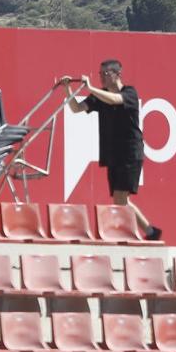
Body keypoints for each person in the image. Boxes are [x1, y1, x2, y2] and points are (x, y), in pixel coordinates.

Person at [59, 59, 161, 241]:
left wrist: (90, 88)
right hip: (113, 153)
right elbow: (76, 108)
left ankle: (129, 235)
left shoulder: (129, 92)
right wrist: (67, 89)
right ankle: (151, 231)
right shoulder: (100, 95)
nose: (102, 78)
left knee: (121, 196)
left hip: (130, 152)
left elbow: (115, 99)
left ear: (117, 74)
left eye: (106, 74)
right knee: (120, 200)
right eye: (100, 74)